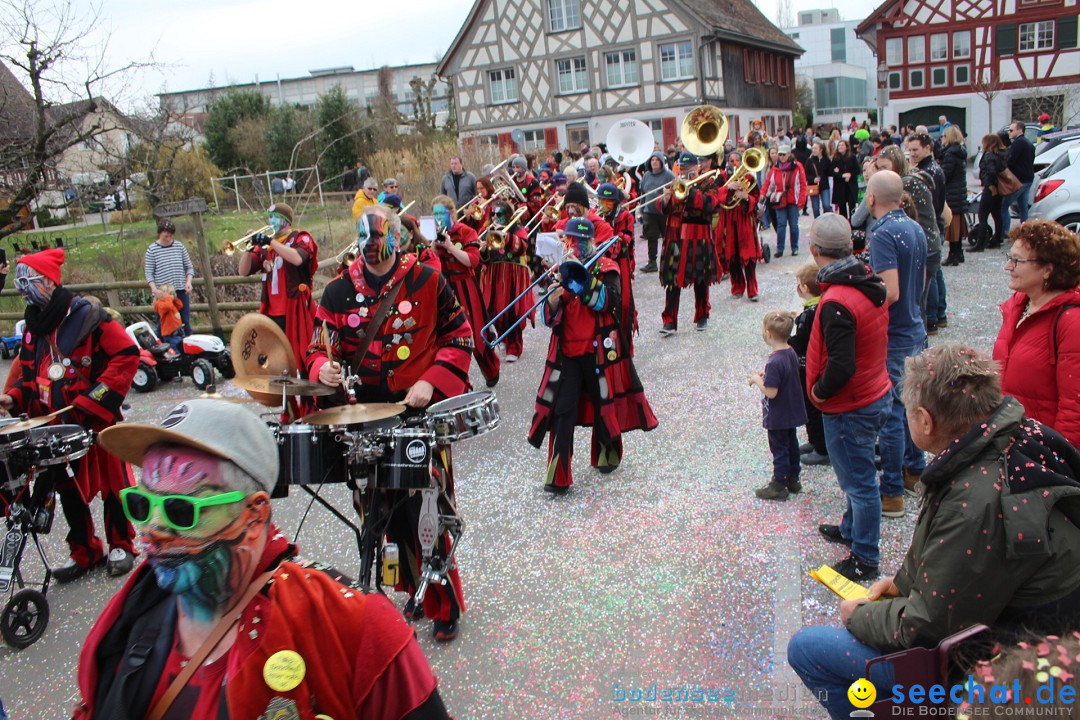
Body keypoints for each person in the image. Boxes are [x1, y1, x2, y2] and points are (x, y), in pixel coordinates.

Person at [77, 399, 453, 719]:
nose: (151, 530)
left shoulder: (355, 625)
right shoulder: (131, 614)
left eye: (180, 510)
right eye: (141, 504)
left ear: (255, 515)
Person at [789, 343, 1080, 720]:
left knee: (807, 648)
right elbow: (966, 562)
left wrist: (856, 615)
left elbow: (926, 629)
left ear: (925, 421)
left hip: (1012, 659)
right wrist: (902, 582)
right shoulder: (1015, 435)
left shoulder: (976, 498)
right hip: (1039, 629)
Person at [308, 206, 474, 641]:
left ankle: (444, 603)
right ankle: (399, 592)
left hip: (417, 415)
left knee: (430, 513)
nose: (374, 263)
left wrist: (431, 380)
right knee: (378, 519)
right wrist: (321, 367)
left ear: (396, 243)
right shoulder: (337, 291)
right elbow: (316, 349)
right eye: (367, 255)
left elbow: (460, 337)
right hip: (362, 422)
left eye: (381, 254)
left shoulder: (428, 280)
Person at [1, 248, 139, 580]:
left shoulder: (89, 317)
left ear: (49, 281)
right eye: (20, 282)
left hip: (95, 419)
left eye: (29, 281)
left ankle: (121, 545)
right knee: (65, 488)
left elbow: (127, 355)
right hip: (55, 424)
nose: (23, 289)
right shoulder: (34, 324)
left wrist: (94, 399)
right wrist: (14, 398)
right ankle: (85, 550)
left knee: (113, 485)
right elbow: (30, 373)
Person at [527, 218, 657, 493]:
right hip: (568, 353)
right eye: (568, 240)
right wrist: (552, 299)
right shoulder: (561, 271)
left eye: (577, 240)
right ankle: (558, 475)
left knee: (603, 402)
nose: (572, 245)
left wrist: (581, 282)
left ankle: (606, 454)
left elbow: (609, 303)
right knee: (562, 410)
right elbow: (550, 318)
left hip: (599, 351)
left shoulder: (607, 267)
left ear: (591, 241)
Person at [805, 214, 891, 582]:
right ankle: (851, 529)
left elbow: (841, 365)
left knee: (859, 483)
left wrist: (817, 392)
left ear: (814, 251)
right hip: (873, 391)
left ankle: (865, 558)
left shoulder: (837, 300)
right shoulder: (864, 277)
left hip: (850, 405)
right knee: (858, 477)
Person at [866, 170, 927, 514]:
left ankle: (891, 493)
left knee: (891, 415)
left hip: (897, 334)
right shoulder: (914, 227)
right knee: (909, 407)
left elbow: (889, 292)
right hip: (915, 326)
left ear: (872, 198)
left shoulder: (884, 233)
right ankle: (914, 471)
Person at [992, 220, 1080, 447]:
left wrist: (1059, 459)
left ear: (1048, 269)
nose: (1008, 267)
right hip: (1014, 442)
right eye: (1009, 258)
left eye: (1017, 261)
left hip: (1042, 451)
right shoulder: (1018, 306)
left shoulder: (1071, 322)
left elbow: (1075, 408)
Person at [237, 203, 317, 371]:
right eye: (270, 217)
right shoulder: (266, 247)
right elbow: (243, 271)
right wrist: (249, 247)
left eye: (275, 217)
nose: (271, 221)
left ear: (285, 220)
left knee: (298, 355)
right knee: (274, 356)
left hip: (294, 308)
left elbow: (297, 259)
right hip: (271, 311)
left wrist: (270, 241)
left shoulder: (301, 238)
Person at [431, 194, 500, 385]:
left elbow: (473, 261)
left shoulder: (466, 231)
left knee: (476, 331)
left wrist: (450, 246)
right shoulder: (432, 233)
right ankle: (459, 379)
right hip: (443, 288)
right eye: (434, 214)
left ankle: (491, 369)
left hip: (465, 285)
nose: (437, 218)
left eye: (441, 214)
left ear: (452, 213)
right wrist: (433, 248)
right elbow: (427, 265)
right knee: (447, 335)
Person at [656, 153, 718, 335]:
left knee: (700, 279)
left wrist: (691, 191)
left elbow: (712, 204)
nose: (683, 172)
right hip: (675, 236)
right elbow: (662, 207)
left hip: (698, 235)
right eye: (681, 169)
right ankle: (669, 321)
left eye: (687, 168)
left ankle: (702, 316)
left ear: (696, 167)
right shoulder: (674, 183)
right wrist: (665, 199)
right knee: (672, 280)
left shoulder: (708, 182)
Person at [751, 311, 808, 501]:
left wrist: (758, 380)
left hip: (778, 414)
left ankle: (779, 483)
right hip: (791, 410)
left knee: (779, 447)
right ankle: (793, 478)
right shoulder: (790, 351)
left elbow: (771, 392)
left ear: (768, 334)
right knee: (791, 444)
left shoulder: (774, 361)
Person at [480, 199, 534, 363]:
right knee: (495, 310)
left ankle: (514, 346)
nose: (495, 217)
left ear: (508, 216)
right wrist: (482, 249)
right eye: (493, 214)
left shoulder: (518, 230)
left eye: (500, 214)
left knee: (513, 310)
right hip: (494, 274)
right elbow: (483, 259)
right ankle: (504, 338)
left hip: (513, 274)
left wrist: (506, 236)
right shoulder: (487, 230)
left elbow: (522, 247)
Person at [788, 263, 828, 467]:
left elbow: (801, 340)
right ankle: (814, 442)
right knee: (811, 408)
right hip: (815, 363)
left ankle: (821, 448)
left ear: (804, 288)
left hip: (808, 365)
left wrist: (785, 342)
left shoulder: (809, 314)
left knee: (812, 408)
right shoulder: (818, 306)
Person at [716, 150, 763, 301]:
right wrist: (728, 187)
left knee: (749, 256)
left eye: (737, 161)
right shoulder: (721, 177)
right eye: (731, 160)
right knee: (732, 255)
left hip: (744, 218)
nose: (734, 163)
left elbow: (756, 196)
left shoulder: (749, 177)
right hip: (728, 219)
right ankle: (737, 287)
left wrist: (746, 197)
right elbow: (715, 195)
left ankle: (752, 289)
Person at [596, 182, 638, 345]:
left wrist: (606, 232)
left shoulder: (626, 216)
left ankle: (625, 342)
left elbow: (625, 239)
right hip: (602, 264)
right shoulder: (598, 217)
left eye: (608, 201)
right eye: (601, 200)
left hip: (620, 263)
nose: (603, 204)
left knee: (624, 302)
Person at [144, 218, 194, 336]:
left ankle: (187, 347)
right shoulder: (152, 250)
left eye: (170, 235)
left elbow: (189, 267)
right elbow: (149, 273)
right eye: (165, 235)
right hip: (163, 294)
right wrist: (154, 289)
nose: (168, 238)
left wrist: (189, 282)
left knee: (184, 321)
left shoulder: (179, 247)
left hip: (180, 290)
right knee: (163, 324)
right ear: (160, 233)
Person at [761, 144, 807, 257]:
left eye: (783, 154)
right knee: (781, 224)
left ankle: (795, 247)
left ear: (789, 154)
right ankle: (780, 248)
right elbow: (767, 182)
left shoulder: (797, 166)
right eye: (779, 154)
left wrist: (802, 200)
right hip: (780, 199)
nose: (781, 156)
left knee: (793, 224)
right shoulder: (775, 168)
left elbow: (802, 184)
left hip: (793, 199)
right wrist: (762, 193)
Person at [638, 152, 675, 273]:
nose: (654, 162)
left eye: (657, 160)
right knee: (651, 237)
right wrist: (641, 209)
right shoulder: (646, 175)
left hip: (664, 212)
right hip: (650, 212)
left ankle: (672, 260)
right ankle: (652, 262)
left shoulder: (669, 175)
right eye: (652, 160)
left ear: (661, 162)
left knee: (668, 237)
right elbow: (643, 193)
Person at [938, 126, 969, 266]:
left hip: (952, 193)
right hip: (959, 192)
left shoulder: (950, 154)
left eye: (943, 136)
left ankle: (953, 254)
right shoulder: (960, 152)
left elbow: (945, 175)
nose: (942, 139)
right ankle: (958, 252)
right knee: (957, 225)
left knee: (953, 226)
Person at [973, 133, 1007, 252]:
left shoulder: (988, 155)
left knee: (983, 215)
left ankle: (980, 243)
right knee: (997, 215)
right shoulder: (1002, 154)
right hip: (1000, 189)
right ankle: (997, 239)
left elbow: (990, 172)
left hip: (991, 188)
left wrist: (990, 184)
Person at [1002, 120, 1036, 234]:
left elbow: (1010, 161)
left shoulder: (1018, 143)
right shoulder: (1029, 143)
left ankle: (1005, 231)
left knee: (1004, 204)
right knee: (1023, 206)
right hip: (1028, 178)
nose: (1009, 133)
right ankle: (1024, 231)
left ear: (1019, 130)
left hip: (1019, 180)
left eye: (1011, 130)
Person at [831, 140, 860, 219]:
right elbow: (832, 172)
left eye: (842, 145)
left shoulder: (852, 157)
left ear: (846, 147)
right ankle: (844, 223)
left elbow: (857, 170)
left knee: (852, 205)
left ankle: (853, 222)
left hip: (850, 184)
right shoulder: (835, 158)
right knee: (842, 206)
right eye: (839, 146)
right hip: (840, 185)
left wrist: (850, 174)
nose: (840, 147)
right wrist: (842, 175)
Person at [153, 284, 185, 352]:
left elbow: (180, 306)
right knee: (176, 350)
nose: (170, 295)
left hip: (178, 332)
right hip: (170, 334)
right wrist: (169, 298)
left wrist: (175, 299)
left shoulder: (170, 302)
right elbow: (168, 307)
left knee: (182, 348)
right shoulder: (159, 304)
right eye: (169, 293)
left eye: (171, 293)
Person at [805, 141, 833, 218]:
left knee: (826, 205)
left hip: (824, 185)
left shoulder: (826, 160)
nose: (814, 150)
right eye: (813, 148)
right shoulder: (810, 160)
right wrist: (813, 179)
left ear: (821, 150)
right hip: (813, 186)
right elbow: (805, 174)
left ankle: (826, 220)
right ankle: (817, 222)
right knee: (816, 208)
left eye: (816, 148)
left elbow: (830, 172)